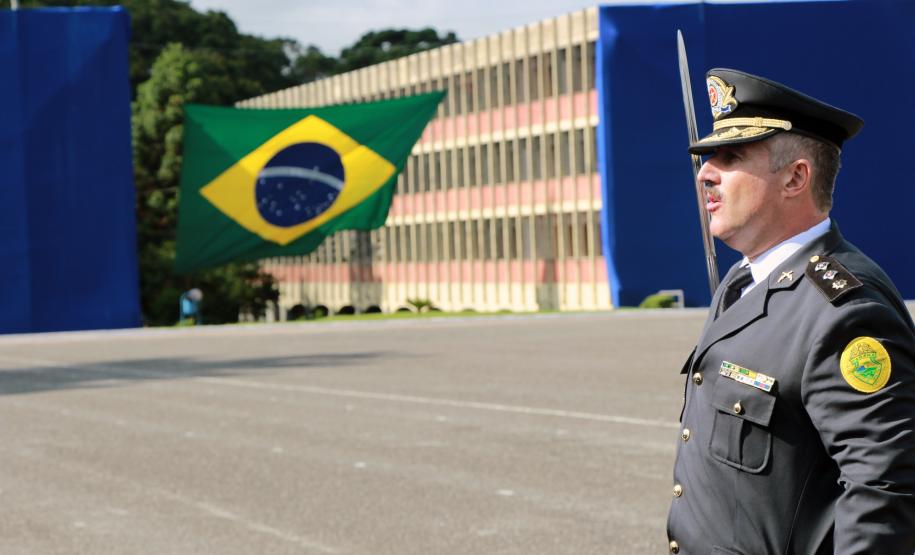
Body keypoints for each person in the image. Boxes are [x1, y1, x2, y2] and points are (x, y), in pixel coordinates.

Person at [666, 68, 915, 554]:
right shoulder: (741, 281)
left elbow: (886, 489)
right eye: (707, 158)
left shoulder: (845, 311)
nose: (705, 173)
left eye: (731, 156)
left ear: (796, 177)